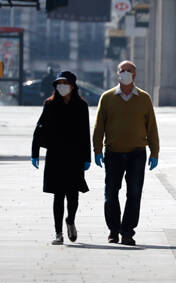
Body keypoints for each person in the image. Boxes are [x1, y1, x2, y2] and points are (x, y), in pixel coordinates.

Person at [93, 60, 159, 246]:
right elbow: (99, 127)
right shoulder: (107, 98)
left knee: (134, 193)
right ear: (117, 73)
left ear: (135, 75)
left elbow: (151, 127)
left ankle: (127, 232)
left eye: (129, 71)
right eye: (123, 70)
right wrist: (97, 150)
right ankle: (114, 230)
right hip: (113, 153)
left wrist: (155, 152)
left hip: (137, 153)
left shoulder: (144, 98)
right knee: (111, 193)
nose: (126, 73)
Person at [31, 71, 91, 245]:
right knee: (58, 195)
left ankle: (70, 220)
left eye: (65, 83)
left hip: (75, 156)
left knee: (73, 195)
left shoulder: (81, 105)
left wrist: (87, 157)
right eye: (59, 83)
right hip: (56, 155)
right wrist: (35, 152)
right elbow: (39, 128)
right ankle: (58, 233)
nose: (62, 86)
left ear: (73, 85)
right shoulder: (49, 104)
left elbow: (85, 132)